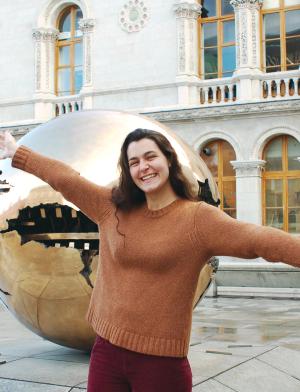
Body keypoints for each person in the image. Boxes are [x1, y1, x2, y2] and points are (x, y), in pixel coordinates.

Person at [0, 128, 299, 392]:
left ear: (168, 159)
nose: (144, 167)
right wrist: (18, 152)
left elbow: (258, 240)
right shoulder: (111, 207)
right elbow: (65, 179)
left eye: (150, 157)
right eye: (134, 162)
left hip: (161, 363)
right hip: (106, 352)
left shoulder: (198, 219)